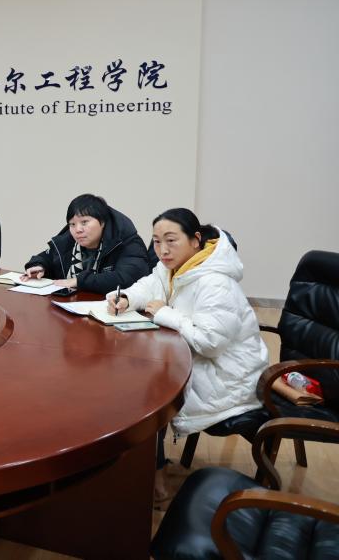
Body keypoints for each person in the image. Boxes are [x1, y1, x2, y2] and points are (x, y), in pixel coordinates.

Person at [106, 208, 268, 500]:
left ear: (195, 240)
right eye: (157, 242)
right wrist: (128, 298)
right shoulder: (174, 267)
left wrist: (165, 314)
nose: (163, 250)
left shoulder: (216, 283)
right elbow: (150, 285)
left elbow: (210, 343)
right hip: (197, 360)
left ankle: (153, 475)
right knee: (137, 380)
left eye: (171, 240)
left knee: (145, 393)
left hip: (228, 377)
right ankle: (140, 469)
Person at [23, 193, 149, 292]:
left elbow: (127, 278)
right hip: (70, 308)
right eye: (72, 224)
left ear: (102, 222)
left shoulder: (126, 242)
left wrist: (79, 281)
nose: (78, 229)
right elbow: (48, 257)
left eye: (84, 222)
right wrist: (40, 266)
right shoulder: (68, 240)